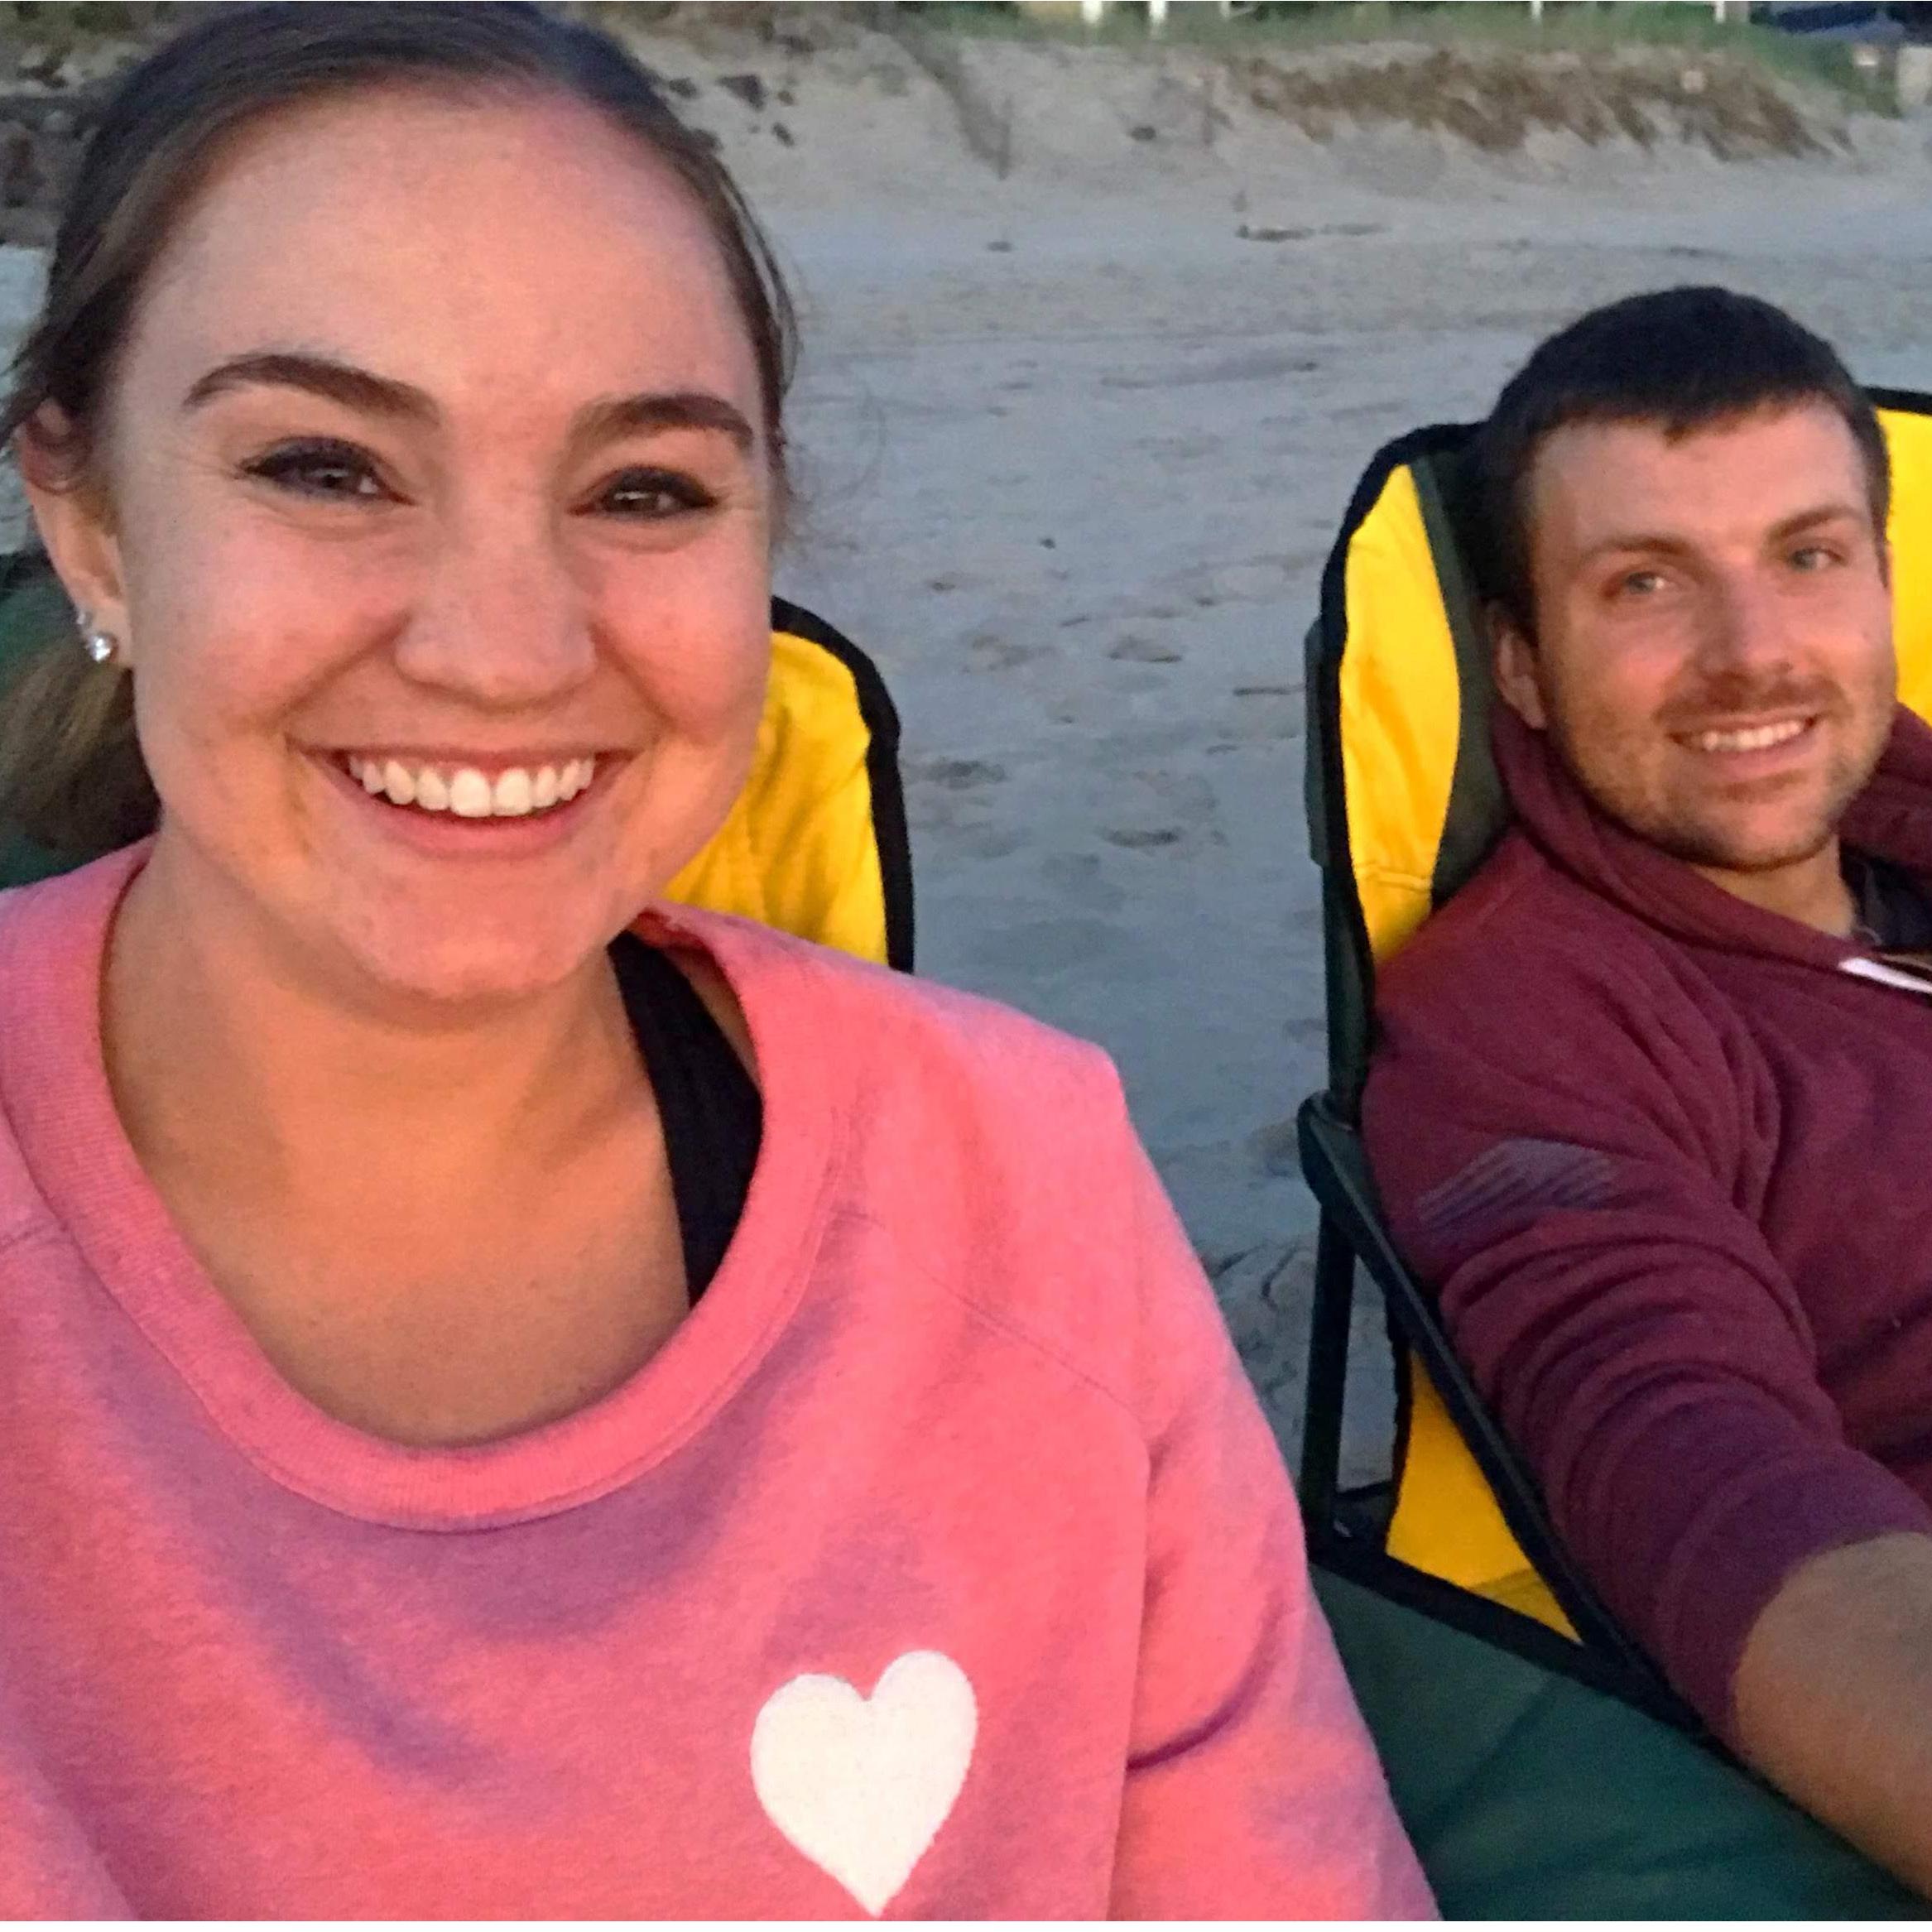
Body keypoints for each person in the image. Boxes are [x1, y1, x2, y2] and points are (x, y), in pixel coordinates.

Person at [0, 4, 1430, 1918]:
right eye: (328, 468)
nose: (506, 651)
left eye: (644, 490)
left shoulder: (1021, 1180)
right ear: (89, 522)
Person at [1362, 283, 1932, 1894]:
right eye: (1644, 584)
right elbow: (1680, 1447)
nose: (1752, 656)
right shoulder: (1531, 1011)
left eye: (1808, 557)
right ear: (1522, 668)